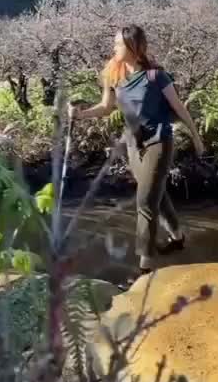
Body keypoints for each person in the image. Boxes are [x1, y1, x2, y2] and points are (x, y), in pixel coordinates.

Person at [71, 24, 205, 274]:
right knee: (156, 195)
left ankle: (146, 265)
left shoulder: (156, 77)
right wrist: (81, 115)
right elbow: (105, 107)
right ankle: (178, 236)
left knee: (145, 201)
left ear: (133, 47)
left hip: (159, 141)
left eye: (118, 44)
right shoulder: (114, 75)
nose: (114, 48)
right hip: (134, 145)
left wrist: (196, 137)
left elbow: (180, 108)